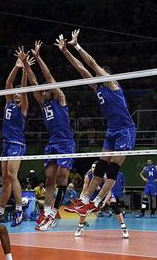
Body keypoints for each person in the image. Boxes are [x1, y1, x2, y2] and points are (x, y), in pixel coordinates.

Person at [55, 30, 136, 216]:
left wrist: (76, 46)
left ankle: (97, 201)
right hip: (112, 130)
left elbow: (91, 64)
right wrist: (65, 51)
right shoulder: (97, 87)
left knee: (113, 167)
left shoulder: (112, 83)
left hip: (126, 130)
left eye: (99, 74)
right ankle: (84, 199)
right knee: (100, 165)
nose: (95, 75)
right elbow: (81, 70)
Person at [20, 43, 75, 231]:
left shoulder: (60, 98)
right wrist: (26, 64)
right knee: (49, 179)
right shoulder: (43, 103)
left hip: (66, 143)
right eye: (43, 91)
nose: (44, 91)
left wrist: (39, 57)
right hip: (52, 143)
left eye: (46, 90)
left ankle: (52, 214)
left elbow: (49, 79)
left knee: (61, 178)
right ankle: (46, 213)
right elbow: (34, 83)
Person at [0, 54, 34, 227]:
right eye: (16, 91)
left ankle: (19, 210)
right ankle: (0, 212)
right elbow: (7, 85)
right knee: (4, 179)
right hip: (6, 144)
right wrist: (17, 66)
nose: (17, 93)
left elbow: (24, 90)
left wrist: (25, 70)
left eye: (20, 92)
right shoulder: (8, 102)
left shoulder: (23, 105)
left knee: (12, 175)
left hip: (17, 144)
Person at [74, 162, 129, 238]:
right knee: (84, 208)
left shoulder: (104, 177)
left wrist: (105, 201)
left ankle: (124, 228)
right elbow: (84, 190)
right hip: (93, 194)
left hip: (105, 193)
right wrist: (81, 199)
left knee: (114, 205)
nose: (94, 169)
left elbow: (109, 191)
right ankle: (80, 227)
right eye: (92, 167)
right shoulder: (88, 177)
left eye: (95, 167)